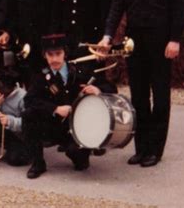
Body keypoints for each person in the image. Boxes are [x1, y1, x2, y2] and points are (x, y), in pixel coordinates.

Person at [98, 0, 184, 167]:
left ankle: (155, 150)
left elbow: (178, 7)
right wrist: (107, 36)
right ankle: (141, 147)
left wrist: (175, 39)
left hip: (161, 42)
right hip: (134, 43)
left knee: (159, 97)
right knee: (138, 97)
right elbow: (116, 7)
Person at [23, 34, 116, 179]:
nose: (54, 59)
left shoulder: (80, 71)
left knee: (80, 163)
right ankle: (38, 163)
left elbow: (111, 87)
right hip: (53, 125)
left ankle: (81, 152)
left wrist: (98, 90)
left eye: (58, 54)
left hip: (78, 127)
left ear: (65, 53)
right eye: (50, 54)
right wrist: (55, 109)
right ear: (44, 55)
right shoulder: (41, 77)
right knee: (29, 115)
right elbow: (29, 100)